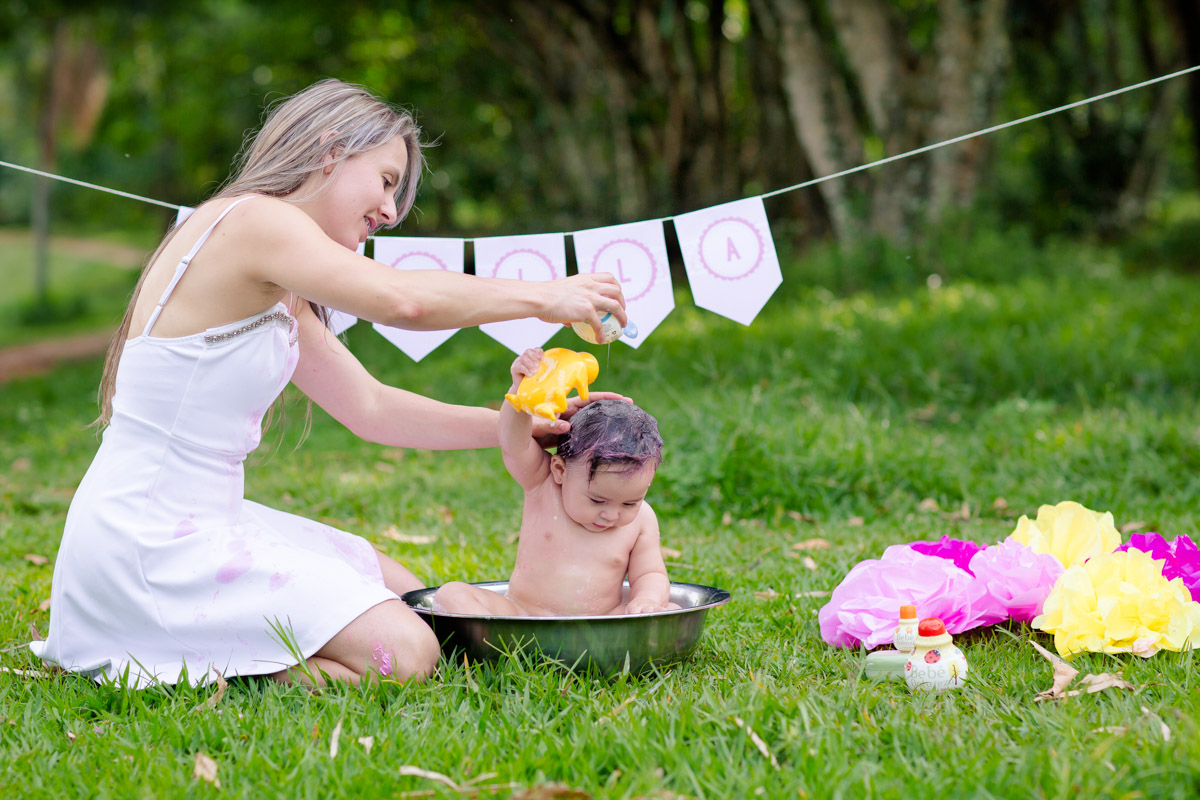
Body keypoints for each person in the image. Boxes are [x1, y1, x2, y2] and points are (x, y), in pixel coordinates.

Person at [30, 79, 629, 688]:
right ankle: (173, 660)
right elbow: (403, 301)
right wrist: (546, 296)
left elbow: (372, 408)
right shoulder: (252, 222)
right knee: (407, 654)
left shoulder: (277, 284)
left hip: (209, 520)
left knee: (419, 598)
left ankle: (188, 644)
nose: (391, 212)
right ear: (330, 150)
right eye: (387, 181)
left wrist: (527, 426)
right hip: (148, 541)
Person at [433, 348, 678, 617]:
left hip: (600, 620)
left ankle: (610, 640)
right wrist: (521, 391)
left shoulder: (641, 520)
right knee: (451, 594)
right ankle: (509, 642)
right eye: (597, 499)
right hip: (522, 614)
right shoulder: (543, 484)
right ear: (560, 469)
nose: (611, 514)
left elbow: (650, 573)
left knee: (670, 609)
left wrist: (647, 601)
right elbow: (514, 444)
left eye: (631, 501)